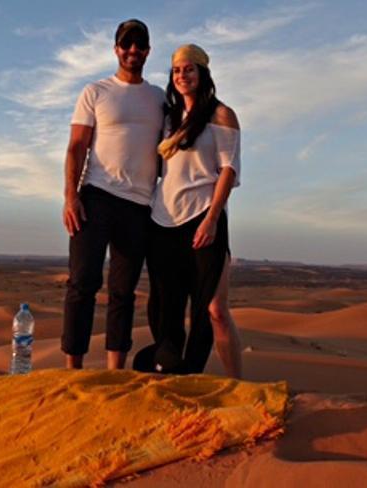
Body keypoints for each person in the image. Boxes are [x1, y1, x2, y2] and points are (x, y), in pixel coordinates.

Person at [61, 19, 166, 370]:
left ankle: (113, 373)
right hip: (95, 197)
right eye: (126, 43)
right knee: (82, 284)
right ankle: (72, 372)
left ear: (148, 51)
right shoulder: (96, 91)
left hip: (139, 206)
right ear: (116, 48)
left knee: (123, 292)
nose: (133, 50)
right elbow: (77, 146)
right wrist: (70, 197)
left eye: (140, 44)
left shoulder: (159, 98)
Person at [137, 44, 243, 377]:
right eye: (177, 70)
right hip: (163, 221)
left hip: (203, 218)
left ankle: (236, 383)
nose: (182, 75)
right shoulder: (168, 118)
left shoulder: (221, 114)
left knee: (214, 309)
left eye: (189, 69)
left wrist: (212, 219)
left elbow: (229, 170)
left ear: (202, 73)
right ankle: (172, 370)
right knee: (166, 306)